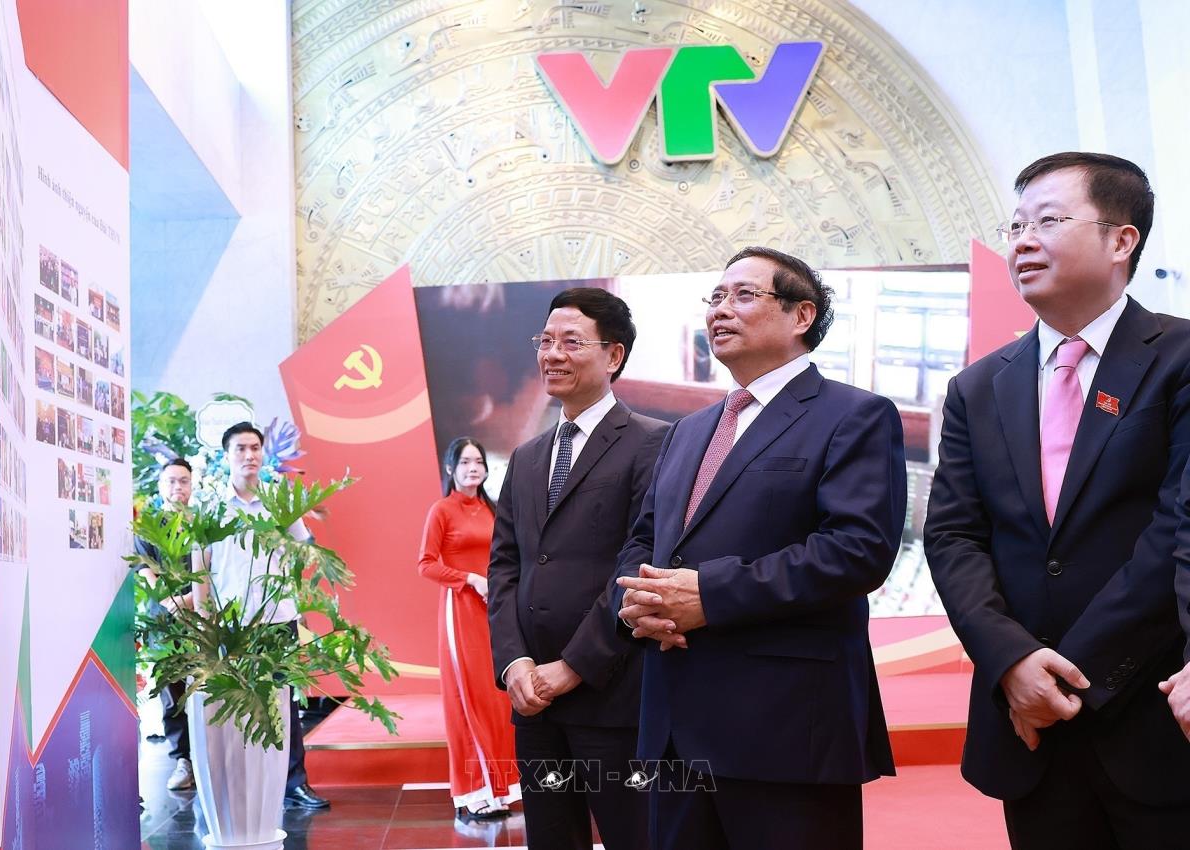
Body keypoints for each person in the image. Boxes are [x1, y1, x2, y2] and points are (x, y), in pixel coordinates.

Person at [924, 152, 1190, 849]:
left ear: (1121, 240)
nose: (1022, 241)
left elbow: (1178, 528)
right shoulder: (978, 387)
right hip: (1027, 725)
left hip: (1150, 711)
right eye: (1015, 226)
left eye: (1047, 221)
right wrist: (1011, 661)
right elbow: (953, 536)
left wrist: (1071, 679)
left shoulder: (1180, 358)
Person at [612, 246, 905, 850]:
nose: (720, 310)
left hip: (785, 725)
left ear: (802, 315)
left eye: (744, 295)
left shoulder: (854, 415)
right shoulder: (689, 431)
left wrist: (710, 596)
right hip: (674, 723)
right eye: (715, 297)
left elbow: (856, 551)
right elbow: (645, 536)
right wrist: (639, 603)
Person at [487, 287, 668, 850]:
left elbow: (642, 564)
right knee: (551, 837)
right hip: (534, 701)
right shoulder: (527, 456)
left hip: (613, 695)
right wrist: (515, 663)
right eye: (545, 341)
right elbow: (506, 567)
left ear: (613, 355)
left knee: (634, 835)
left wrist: (573, 666)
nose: (552, 354)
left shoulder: (654, 443)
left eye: (570, 342)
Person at [195, 422, 331, 810]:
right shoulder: (211, 507)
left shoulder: (278, 501)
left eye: (255, 448)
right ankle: (243, 784)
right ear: (226, 456)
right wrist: (204, 622)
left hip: (277, 617)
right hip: (231, 624)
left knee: (284, 704)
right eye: (240, 449)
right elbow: (200, 566)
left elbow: (306, 550)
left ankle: (293, 783)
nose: (249, 455)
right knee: (236, 704)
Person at [418, 436, 521, 821]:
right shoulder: (442, 510)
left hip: (494, 612)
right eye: (464, 462)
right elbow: (426, 564)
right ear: (450, 468)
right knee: (468, 697)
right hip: (461, 610)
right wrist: (469, 579)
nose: (473, 468)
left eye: (478, 461)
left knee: (498, 698)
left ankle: (501, 788)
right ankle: (474, 791)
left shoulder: (492, 509)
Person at [134, 457, 197, 791]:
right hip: (164, 623)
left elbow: (215, 571)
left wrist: (190, 601)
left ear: (192, 485)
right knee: (173, 697)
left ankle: (212, 760)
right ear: (160, 486)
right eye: (171, 481)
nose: (177, 487)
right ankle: (182, 761)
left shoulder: (203, 525)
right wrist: (173, 602)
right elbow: (148, 575)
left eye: (183, 481)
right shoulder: (147, 527)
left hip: (203, 619)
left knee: (207, 692)